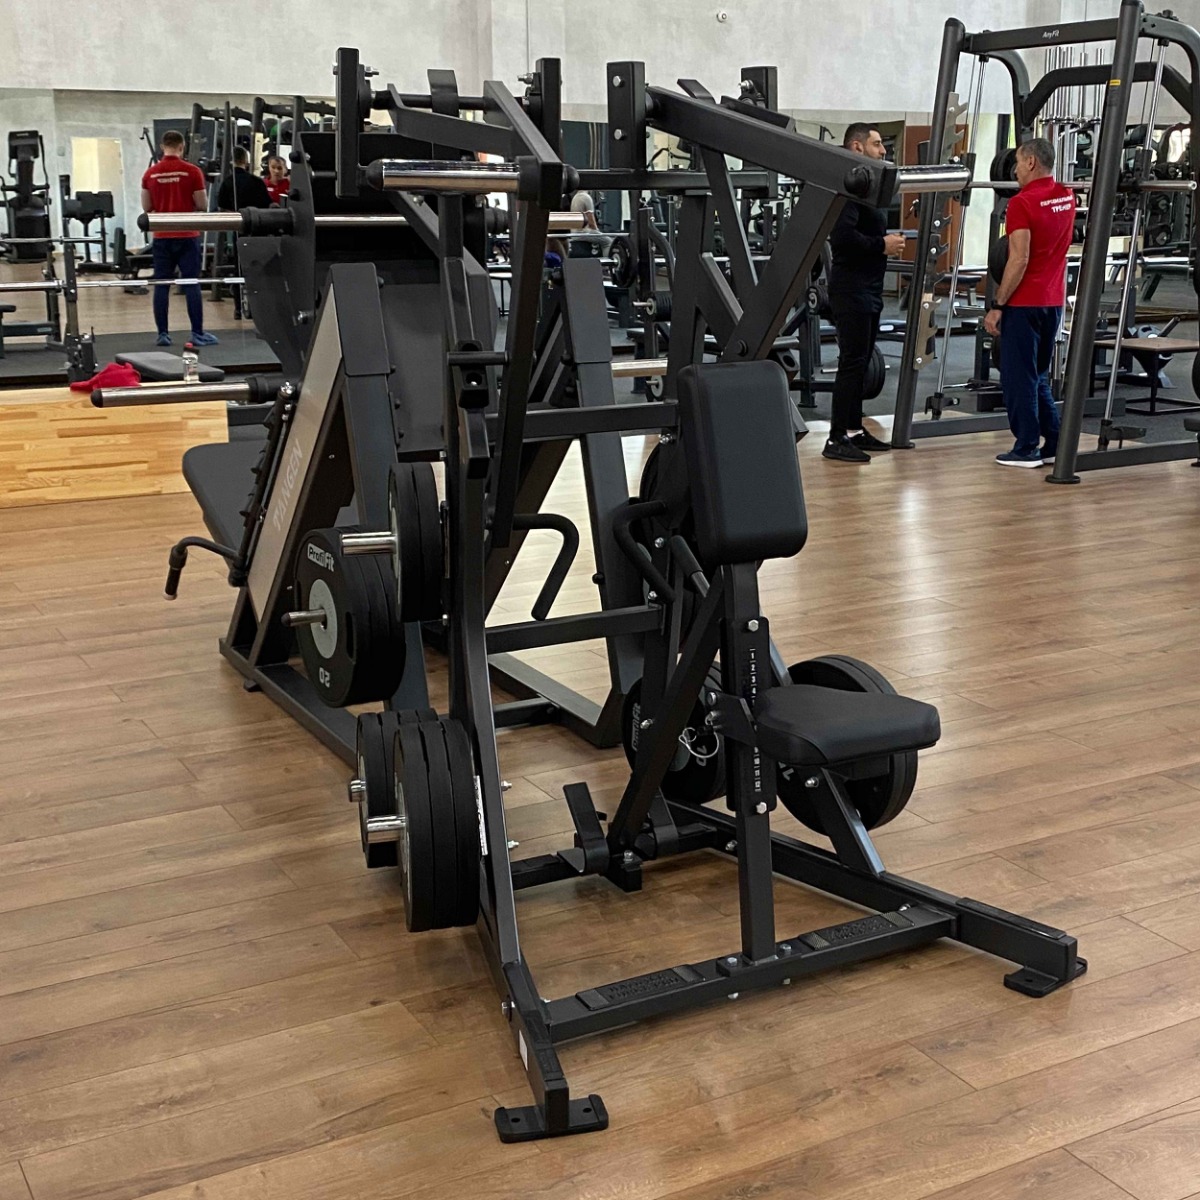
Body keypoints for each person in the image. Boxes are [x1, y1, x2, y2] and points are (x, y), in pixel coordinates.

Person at [982, 138, 1075, 467]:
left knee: (1018, 378)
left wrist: (998, 305)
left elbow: (1019, 259)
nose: (1015, 171)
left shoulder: (1021, 203)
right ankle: (1054, 442)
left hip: (1024, 303)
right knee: (1037, 375)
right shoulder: (1066, 196)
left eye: (1019, 163)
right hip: (1053, 302)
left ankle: (1026, 448)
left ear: (1032, 162)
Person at [822, 123, 907, 464]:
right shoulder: (849, 189)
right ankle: (836, 437)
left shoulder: (868, 189)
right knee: (852, 363)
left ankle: (854, 429)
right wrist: (882, 245)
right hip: (851, 288)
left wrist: (882, 244)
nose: (883, 150)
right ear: (857, 147)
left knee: (861, 362)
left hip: (869, 288)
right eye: (877, 144)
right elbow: (842, 239)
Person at [140, 130, 218, 347]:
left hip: (162, 236)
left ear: (162, 147)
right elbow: (202, 204)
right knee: (191, 283)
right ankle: (197, 333)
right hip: (187, 235)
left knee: (162, 284)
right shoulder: (192, 171)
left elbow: (147, 207)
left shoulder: (150, 174)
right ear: (182, 147)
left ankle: (163, 334)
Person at [217, 147, 272, 321]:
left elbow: (222, 208)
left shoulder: (227, 182)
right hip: (257, 231)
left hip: (238, 230)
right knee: (257, 269)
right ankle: (258, 308)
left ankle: (238, 308)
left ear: (231, 160)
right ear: (246, 161)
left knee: (238, 269)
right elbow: (267, 206)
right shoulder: (256, 182)